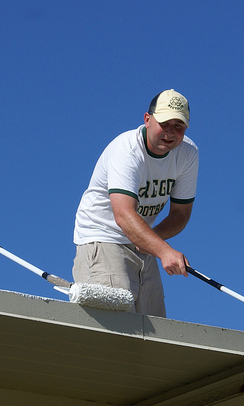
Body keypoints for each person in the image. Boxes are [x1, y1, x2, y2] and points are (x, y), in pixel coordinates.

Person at [73, 89, 199, 317]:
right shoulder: (126, 150)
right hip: (104, 238)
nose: (170, 132)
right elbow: (123, 215)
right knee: (117, 327)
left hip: (143, 242)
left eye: (178, 126)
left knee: (154, 330)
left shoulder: (188, 154)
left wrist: (152, 242)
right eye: (164, 123)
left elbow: (180, 214)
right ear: (147, 120)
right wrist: (163, 250)